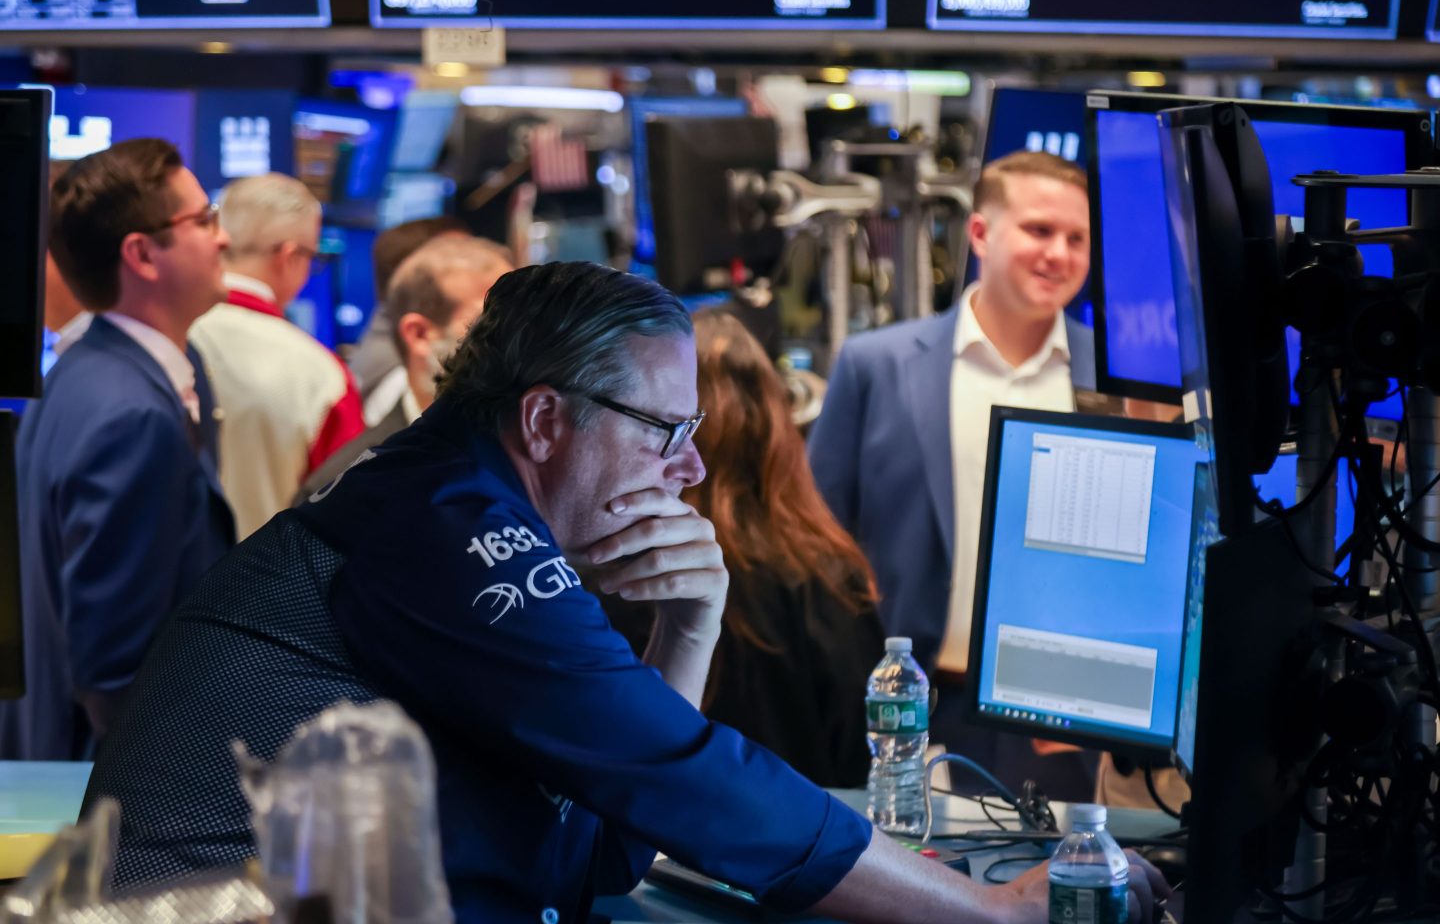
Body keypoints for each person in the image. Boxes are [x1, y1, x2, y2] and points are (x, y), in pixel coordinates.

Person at [82, 261, 1167, 923]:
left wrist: (688, 626)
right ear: (546, 420)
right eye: (663, 434)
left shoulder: (442, 495)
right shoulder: (445, 529)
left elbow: (604, 844)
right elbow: (688, 784)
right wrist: (986, 914)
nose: (690, 472)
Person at [808, 150, 1098, 801]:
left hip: (1061, 720)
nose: (1059, 253)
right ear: (980, 234)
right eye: (1039, 230)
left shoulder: (1107, 381)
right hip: (908, 708)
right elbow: (815, 537)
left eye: (1077, 238)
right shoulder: (876, 365)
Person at [0, 138, 235, 760]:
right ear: (142, 253)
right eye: (203, 219)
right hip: (114, 791)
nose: (222, 239)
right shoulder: (129, 415)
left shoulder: (82, 372)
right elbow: (113, 669)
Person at [604, 307, 885, 787]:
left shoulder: (621, 565)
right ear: (778, 419)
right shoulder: (829, 571)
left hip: (659, 841)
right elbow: (868, 752)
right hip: (804, 842)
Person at [188, 173, 365, 539]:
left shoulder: (163, 338)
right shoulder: (321, 376)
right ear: (289, 256)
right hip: (265, 589)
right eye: (313, 258)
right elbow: (349, 518)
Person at [294, 234, 513, 504]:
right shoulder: (345, 486)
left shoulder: (537, 448)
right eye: (489, 323)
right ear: (419, 334)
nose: (515, 342)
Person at [346, 215, 471, 403]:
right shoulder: (401, 378)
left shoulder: (385, 340)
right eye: (462, 259)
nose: (480, 264)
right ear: (415, 274)